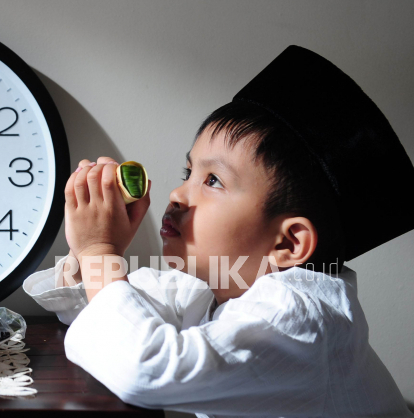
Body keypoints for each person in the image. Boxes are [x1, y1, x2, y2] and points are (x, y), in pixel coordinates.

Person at [24, 46, 413, 417]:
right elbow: (104, 314)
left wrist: (99, 254)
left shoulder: (300, 318)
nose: (177, 193)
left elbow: (145, 367)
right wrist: (88, 257)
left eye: (212, 180)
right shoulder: (216, 286)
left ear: (289, 243)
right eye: (187, 172)